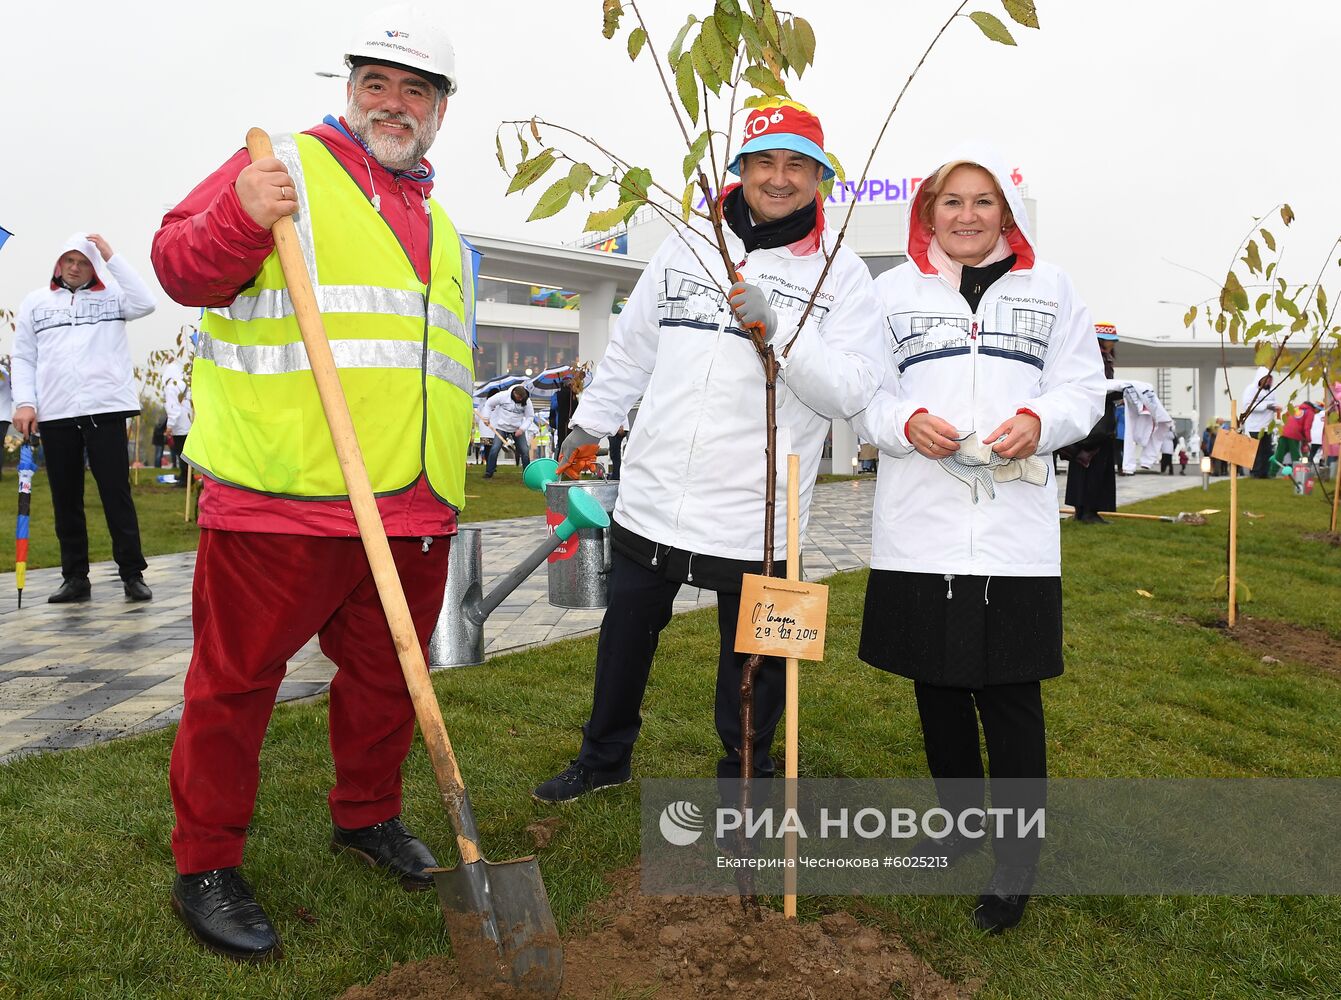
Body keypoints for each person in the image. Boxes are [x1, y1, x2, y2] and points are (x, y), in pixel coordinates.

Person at [150, 6, 474, 962]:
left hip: (413, 505)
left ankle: (366, 815)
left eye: (416, 89)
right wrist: (238, 215)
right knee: (234, 684)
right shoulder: (281, 165)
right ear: (349, 89)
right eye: (376, 82)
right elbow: (181, 268)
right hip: (282, 495)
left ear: (440, 109)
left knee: (384, 682)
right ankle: (206, 860)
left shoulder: (445, 227)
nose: (394, 103)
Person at [531, 100, 882, 804]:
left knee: (755, 662)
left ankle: (744, 783)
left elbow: (850, 390)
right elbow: (633, 347)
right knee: (624, 636)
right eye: (763, 162)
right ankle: (603, 760)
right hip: (655, 495)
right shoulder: (689, 244)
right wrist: (589, 425)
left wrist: (781, 330)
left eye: (796, 165)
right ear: (739, 169)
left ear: (819, 177)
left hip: (761, 511)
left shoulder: (841, 275)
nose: (778, 179)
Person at [851, 150, 1104, 934]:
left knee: (1009, 694)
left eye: (983, 202)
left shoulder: (1051, 289)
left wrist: (1038, 423)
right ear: (926, 213)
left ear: (1006, 213)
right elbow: (864, 393)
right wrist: (900, 424)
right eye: (950, 202)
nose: (966, 216)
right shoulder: (887, 293)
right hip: (921, 528)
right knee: (936, 686)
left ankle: (1014, 862)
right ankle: (960, 826)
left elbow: (1082, 388)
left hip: (1010, 534)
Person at [10, 233, 155, 603]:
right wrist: (25, 402)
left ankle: (132, 574)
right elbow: (24, 357)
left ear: (95, 266)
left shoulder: (113, 298)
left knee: (115, 493)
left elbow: (146, 301)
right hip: (56, 413)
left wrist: (112, 255)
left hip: (104, 409)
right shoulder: (36, 303)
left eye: (84, 261)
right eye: (68, 261)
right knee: (65, 498)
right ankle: (75, 577)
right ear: (58, 264)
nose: (74, 268)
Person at [1059, 323, 1120, 522]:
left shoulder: (1090, 358)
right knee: (1091, 465)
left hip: (1092, 420)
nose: (1111, 344)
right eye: (1108, 340)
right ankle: (1086, 512)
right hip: (1096, 423)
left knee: (1086, 465)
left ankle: (1085, 511)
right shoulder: (1096, 359)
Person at [480, 384, 535, 477]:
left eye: (522, 398)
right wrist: (486, 417)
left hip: (517, 428)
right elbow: (489, 403)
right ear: (514, 393)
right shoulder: (502, 396)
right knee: (494, 449)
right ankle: (489, 472)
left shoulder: (527, 401)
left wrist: (522, 429)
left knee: (525, 451)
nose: (520, 400)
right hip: (502, 427)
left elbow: (530, 417)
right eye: (518, 397)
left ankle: (528, 474)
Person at [1240, 367, 1279, 478]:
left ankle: (1265, 473)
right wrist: (1266, 406)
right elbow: (1248, 406)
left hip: (1267, 427)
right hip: (1255, 427)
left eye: (1270, 380)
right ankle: (1255, 473)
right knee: (1257, 452)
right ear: (1260, 379)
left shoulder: (1271, 391)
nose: (1269, 382)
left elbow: (1273, 403)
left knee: (1267, 451)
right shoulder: (1251, 390)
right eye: (1267, 379)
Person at [164, 374, 193, 488]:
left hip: (180, 426)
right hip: (187, 424)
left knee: (181, 454)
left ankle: (185, 480)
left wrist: (169, 426)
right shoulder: (184, 385)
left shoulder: (170, 387)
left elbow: (173, 409)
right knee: (184, 454)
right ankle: (185, 477)